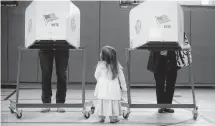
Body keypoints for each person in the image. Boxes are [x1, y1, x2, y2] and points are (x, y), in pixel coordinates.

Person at [147, 33, 189, 113]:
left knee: (171, 83)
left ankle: (168, 105)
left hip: (172, 60)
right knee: (160, 83)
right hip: (159, 60)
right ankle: (161, 106)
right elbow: (150, 47)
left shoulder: (174, 30)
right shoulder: (156, 31)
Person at [94, 46, 127, 123]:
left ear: (102, 56)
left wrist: (100, 81)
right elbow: (122, 78)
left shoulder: (100, 65)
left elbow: (96, 75)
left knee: (102, 101)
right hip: (113, 88)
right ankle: (113, 117)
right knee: (113, 101)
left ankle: (101, 117)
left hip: (102, 87)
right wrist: (124, 87)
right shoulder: (117, 65)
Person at [39, 47, 69, 113]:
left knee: (62, 74)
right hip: (45, 43)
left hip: (62, 43)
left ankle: (60, 102)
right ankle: (46, 102)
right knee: (46, 74)